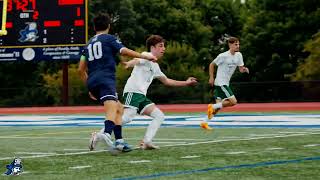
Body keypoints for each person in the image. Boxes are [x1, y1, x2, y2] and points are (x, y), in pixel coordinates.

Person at [90, 35, 198, 150]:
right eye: (160, 46)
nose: (164, 48)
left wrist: (186, 83)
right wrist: (129, 64)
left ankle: (147, 142)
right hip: (133, 91)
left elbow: (167, 81)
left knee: (159, 115)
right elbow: (136, 60)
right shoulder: (147, 55)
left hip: (141, 96)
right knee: (127, 117)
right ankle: (98, 135)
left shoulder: (155, 65)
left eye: (164, 46)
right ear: (152, 47)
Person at [78, 13, 157, 152]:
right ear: (108, 26)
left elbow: (80, 69)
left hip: (92, 81)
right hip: (105, 79)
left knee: (119, 109)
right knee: (112, 109)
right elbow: (123, 51)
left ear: (94, 27)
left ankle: (119, 141)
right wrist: (143, 55)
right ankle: (105, 134)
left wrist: (89, 87)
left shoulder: (88, 44)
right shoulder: (109, 39)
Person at [201, 37, 249, 130]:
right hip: (220, 83)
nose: (238, 46)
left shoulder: (239, 55)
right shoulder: (223, 55)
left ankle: (204, 122)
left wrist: (244, 69)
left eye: (238, 44)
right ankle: (212, 106)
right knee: (233, 102)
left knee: (218, 108)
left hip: (225, 83)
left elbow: (240, 68)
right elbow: (211, 64)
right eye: (235, 44)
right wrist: (211, 77)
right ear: (230, 45)